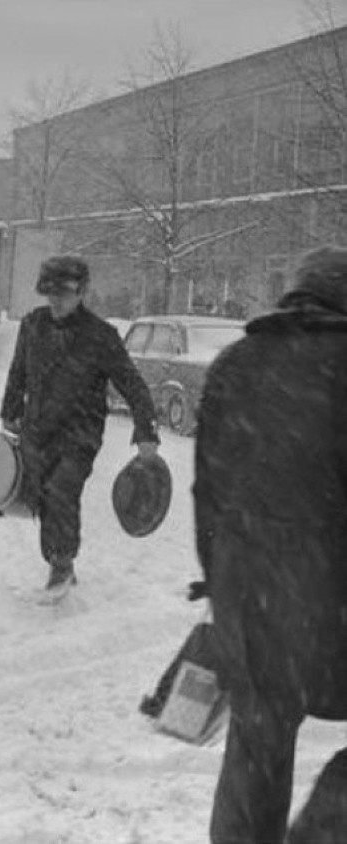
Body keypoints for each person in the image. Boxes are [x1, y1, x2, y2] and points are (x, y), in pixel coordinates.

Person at [192, 245, 347, 844]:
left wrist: (225, 584)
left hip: (253, 606)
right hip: (334, 603)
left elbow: (209, 493)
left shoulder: (235, 363)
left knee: (257, 747)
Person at [0, 255, 160, 594]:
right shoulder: (33, 326)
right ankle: (59, 562)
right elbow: (18, 373)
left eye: (64, 294)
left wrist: (146, 432)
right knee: (41, 496)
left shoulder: (100, 336)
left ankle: (61, 564)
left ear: (81, 292)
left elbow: (132, 385)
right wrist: (10, 411)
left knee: (61, 491)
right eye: (50, 293)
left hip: (79, 435)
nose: (56, 301)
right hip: (38, 429)